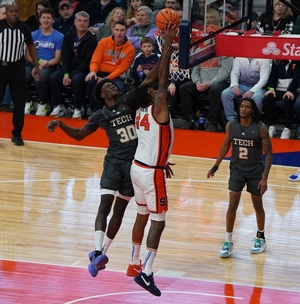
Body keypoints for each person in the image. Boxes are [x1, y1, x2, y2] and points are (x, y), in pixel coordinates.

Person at [46, 80, 140, 277]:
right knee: (104, 205)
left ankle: (101, 254)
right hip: (113, 163)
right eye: (108, 86)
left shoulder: (129, 104)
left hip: (133, 165)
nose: (113, 86)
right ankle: (97, 249)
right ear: (102, 95)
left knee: (119, 211)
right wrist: (62, 124)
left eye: (114, 85)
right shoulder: (100, 115)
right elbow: (80, 135)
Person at [127, 23, 176, 297]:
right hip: (151, 173)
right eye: (157, 90)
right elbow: (162, 77)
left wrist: (163, 158)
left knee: (141, 214)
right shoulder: (157, 106)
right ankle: (146, 272)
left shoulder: (140, 110)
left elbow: (150, 81)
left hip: (139, 167)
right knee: (159, 221)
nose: (161, 90)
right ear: (153, 95)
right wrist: (167, 46)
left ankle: (133, 261)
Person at [207, 98, 273, 258]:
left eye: (247, 107)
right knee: (232, 204)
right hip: (237, 170)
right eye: (241, 106)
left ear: (252, 110)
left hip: (255, 172)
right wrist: (216, 165)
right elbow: (225, 145)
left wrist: (264, 177)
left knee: (257, 205)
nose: (243, 109)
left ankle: (260, 237)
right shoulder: (231, 126)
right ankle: (228, 240)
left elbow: (269, 153)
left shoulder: (260, 128)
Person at [0, 2, 40, 146]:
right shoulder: (0, 25)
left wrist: (37, 66)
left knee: (19, 102)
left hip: (17, 68)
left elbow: (31, 46)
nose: (14, 14)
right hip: (1, 66)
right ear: (6, 13)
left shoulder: (24, 28)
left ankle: (17, 134)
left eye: (16, 11)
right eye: (11, 11)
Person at [49, 10, 98, 119]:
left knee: (76, 79)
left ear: (88, 23)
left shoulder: (92, 39)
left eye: (85, 21)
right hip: (68, 67)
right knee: (53, 77)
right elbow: (65, 56)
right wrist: (66, 73)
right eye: (79, 20)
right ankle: (58, 105)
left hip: (83, 70)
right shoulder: (68, 36)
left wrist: (70, 76)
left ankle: (77, 108)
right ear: (75, 22)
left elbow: (87, 61)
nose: (82, 23)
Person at [85, 20, 135, 112]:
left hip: (115, 76)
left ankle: (115, 111)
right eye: (117, 30)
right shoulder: (104, 42)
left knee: (120, 88)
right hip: (100, 72)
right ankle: (96, 110)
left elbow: (122, 68)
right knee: (90, 82)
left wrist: (107, 79)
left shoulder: (130, 49)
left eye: (122, 30)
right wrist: (93, 71)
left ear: (126, 31)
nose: (119, 33)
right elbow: (96, 59)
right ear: (113, 30)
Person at [24, 7, 63, 116]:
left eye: (49, 18)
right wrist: (38, 63)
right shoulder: (33, 34)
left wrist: (44, 64)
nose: (46, 20)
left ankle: (42, 103)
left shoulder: (59, 36)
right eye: (44, 18)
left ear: (53, 20)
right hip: (34, 63)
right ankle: (28, 102)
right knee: (22, 75)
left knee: (39, 77)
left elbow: (57, 58)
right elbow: (27, 55)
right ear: (39, 19)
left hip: (49, 65)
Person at [179, 56, 233, 131]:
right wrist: (197, 82)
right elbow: (195, 71)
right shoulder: (203, 52)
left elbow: (224, 73)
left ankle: (213, 123)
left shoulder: (225, 53)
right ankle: (189, 120)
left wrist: (210, 83)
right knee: (184, 88)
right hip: (202, 82)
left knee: (214, 90)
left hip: (220, 82)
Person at [221, 57, 271, 122]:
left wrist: (252, 91)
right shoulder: (239, 57)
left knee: (257, 97)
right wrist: (234, 86)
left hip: (258, 88)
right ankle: (232, 120)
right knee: (225, 94)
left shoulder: (265, 59)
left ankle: (254, 120)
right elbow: (234, 73)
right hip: (242, 85)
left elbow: (264, 79)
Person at [263, 60, 300, 139]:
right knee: (267, 98)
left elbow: (297, 78)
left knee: (288, 99)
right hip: (279, 89)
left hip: (293, 89)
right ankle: (271, 126)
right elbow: (273, 75)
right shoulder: (277, 61)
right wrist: (271, 88)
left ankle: (287, 128)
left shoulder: (297, 61)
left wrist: (290, 90)